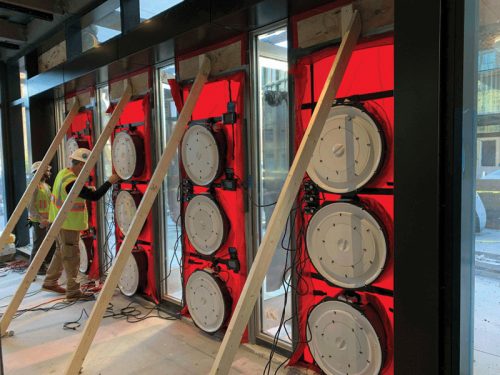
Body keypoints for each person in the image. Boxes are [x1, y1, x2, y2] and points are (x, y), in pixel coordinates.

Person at [42, 148, 120, 301]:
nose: (88, 171)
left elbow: (73, 193)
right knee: (71, 257)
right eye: (86, 167)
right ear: (80, 165)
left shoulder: (64, 174)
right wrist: (110, 181)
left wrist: (84, 190)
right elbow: (94, 196)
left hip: (58, 222)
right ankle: (73, 292)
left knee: (61, 251)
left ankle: (50, 281)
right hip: (68, 224)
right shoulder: (72, 182)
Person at [28, 161, 55, 275]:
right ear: (39, 172)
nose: (49, 173)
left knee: (44, 244)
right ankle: (32, 271)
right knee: (38, 244)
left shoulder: (45, 186)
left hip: (47, 220)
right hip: (39, 221)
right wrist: (40, 219)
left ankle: (41, 266)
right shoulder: (34, 186)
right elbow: (30, 206)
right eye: (46, 171)